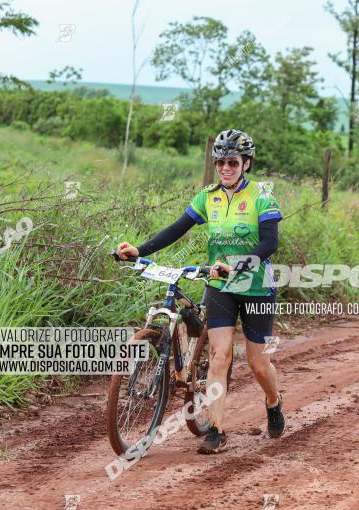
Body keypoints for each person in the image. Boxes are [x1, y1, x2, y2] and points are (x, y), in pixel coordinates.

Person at [116, 129, 285, 454]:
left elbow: (270, 243)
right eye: (220, 162)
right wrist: (139, 249)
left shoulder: (262, 196)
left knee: (258, 363)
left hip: (256, 287)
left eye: (232, 163)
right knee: (219, 356)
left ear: (246, 163)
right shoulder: (208, 197)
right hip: (220, 286)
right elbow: (177, 229)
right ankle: (218, 431)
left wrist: (236, 266)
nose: (225, 168)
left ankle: (274, 401)